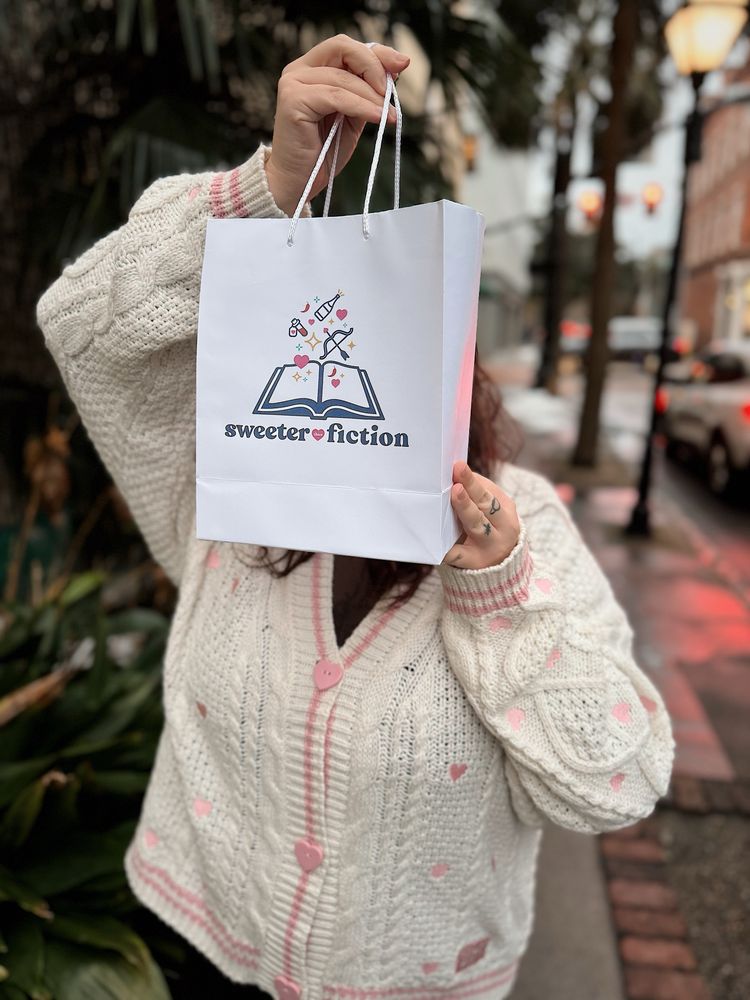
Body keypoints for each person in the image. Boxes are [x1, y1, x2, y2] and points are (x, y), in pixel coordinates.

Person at [36, 34, 674, 1000]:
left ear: (459, 370)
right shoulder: (223, 498)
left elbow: (614, 778)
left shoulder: (524, 523)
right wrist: (266, 191)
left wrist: (497, 594)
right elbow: (83, 320)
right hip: (211, 949)